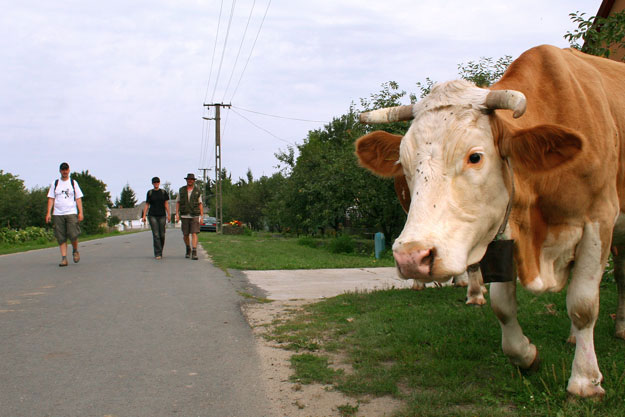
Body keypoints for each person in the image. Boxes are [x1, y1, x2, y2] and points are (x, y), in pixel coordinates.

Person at [45, 162, 84, 267]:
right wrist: (48, 213)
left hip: (71, 212)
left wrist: (81, 212)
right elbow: (51, 198)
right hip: (58, 213)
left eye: (66, 169)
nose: (65, 171)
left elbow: (78, 198)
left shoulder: (73, 183)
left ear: (69, 170)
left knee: (73, 234)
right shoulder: (55, 183)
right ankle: (64, 258)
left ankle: (75, 250)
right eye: (63, 170)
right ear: (60, 171)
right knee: (60, 236)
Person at [175, 173, 203, 260]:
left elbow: (200, 204)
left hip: (194, 215)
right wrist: (177, 214)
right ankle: (188, 248)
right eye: (188, 179)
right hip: (184, 215)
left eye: (191, 179)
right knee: (185, 234)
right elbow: (178, 202)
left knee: (194, 233)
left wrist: (201, 216)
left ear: (194, 181)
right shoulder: (182, 190)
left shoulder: (197, 191)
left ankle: (194, 251)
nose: (190, 181)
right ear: (186, 180)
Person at [141, 176, 171, 259]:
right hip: (152, 215)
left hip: (162, 215)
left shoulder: (163, 192)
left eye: (157, 182)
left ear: (159, 183)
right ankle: (158, 253)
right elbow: (147, 204)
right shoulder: (150, 193)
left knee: (162, 235)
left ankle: (160, 249)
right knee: (156, 234)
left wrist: (169, 214)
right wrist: (144, 215)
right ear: (152, 183)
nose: (156, 183)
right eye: (154, 182)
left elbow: (166, 204)